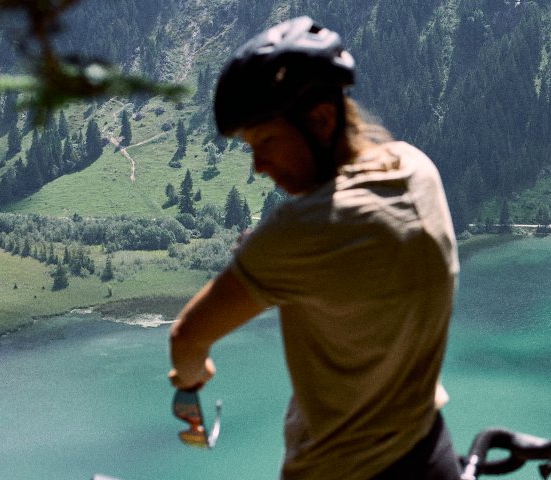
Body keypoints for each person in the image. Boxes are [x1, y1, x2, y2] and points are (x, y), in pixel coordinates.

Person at [167, 16, 462, 480]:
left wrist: (190, 376)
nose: (258, 165)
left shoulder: (300, 234)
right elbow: (358, 265)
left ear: (322, 120)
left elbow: (186, 338)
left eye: (265, 141)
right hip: (429, 455)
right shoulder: (416, 168)